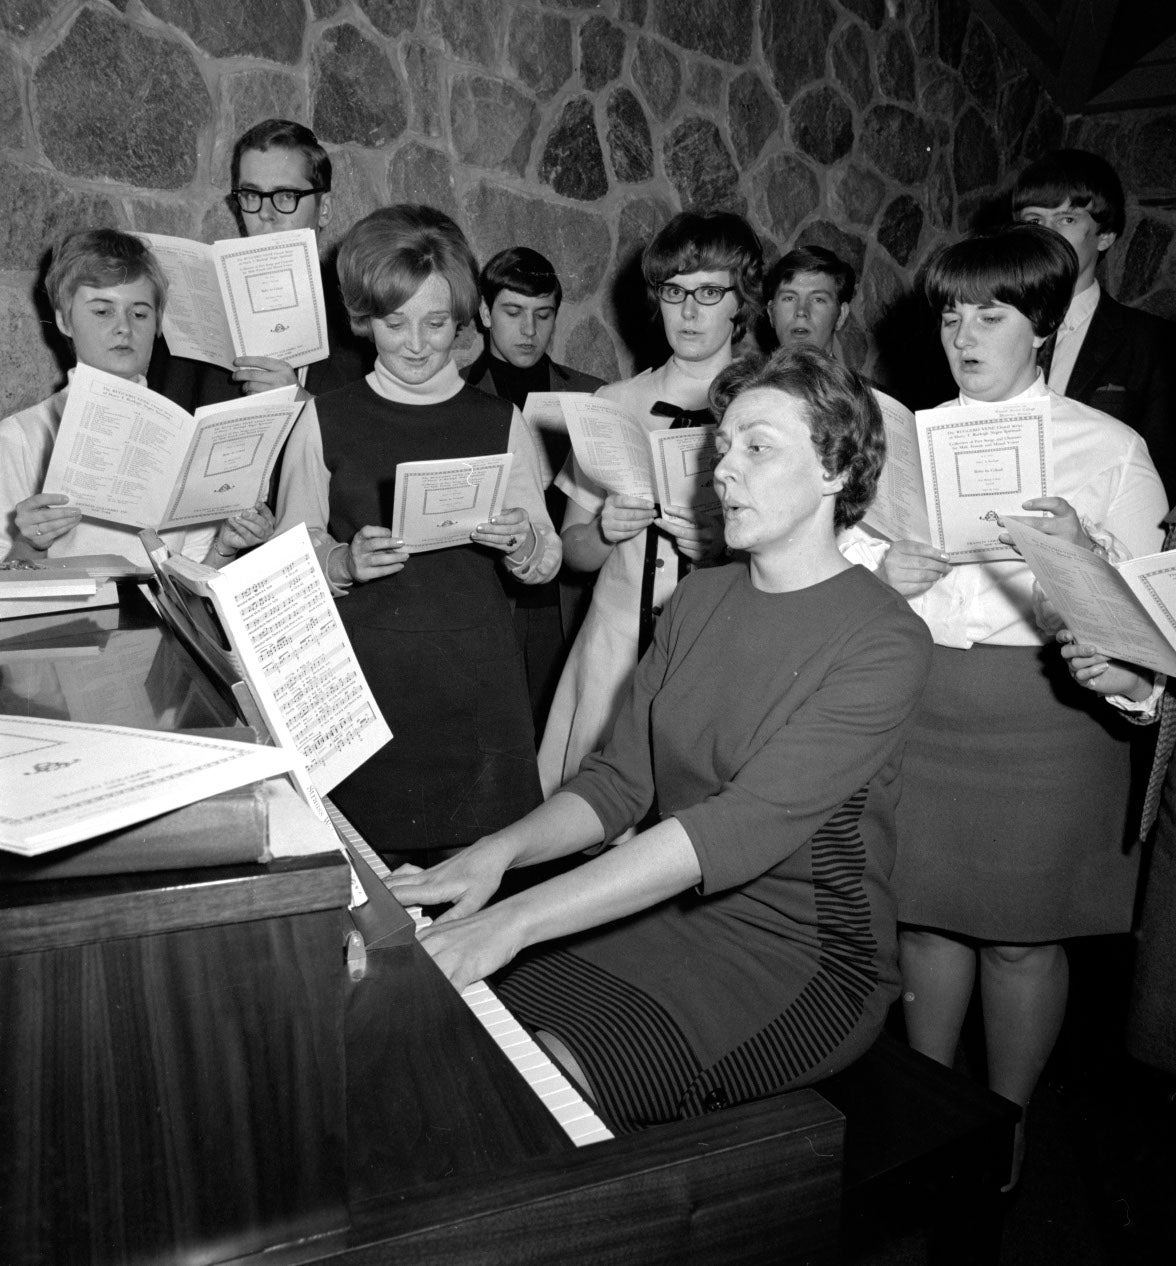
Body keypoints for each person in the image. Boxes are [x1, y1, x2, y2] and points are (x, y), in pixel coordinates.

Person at [388, 346, 933, 1132]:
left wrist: (512, 919)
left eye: (758, 447)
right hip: (672, 910)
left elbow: (732, 828)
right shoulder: (700, 597)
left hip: (802, 956)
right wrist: (494, 855)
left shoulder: (884, 640)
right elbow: (617, 784)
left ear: (837, 470)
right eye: (723, 446)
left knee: (541, 1083)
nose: (723, 469)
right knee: (467, 1026)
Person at [847, 223, 1167, 1186]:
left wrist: (1081, 559)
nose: (964, 333)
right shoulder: (905, 437)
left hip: (1046, 715)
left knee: (1022, 941)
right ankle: (928, 1102)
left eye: (991, 313)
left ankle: (1008, 1126)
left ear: (1043, 326)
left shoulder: (1106, 446)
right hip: (925, 699)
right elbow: (840, 563)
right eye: (951, 313)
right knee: (928, 922)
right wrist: (882, 566)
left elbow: (1150, 624)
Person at [273, 206, 559, 861]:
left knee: (476, 876)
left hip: (476, 687)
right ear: (363, 319)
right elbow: (287, 563)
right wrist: (342, 561)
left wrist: (522, 542)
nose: (415, 343)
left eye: (435, 323)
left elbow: (546, 556)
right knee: (364, 878)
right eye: (394, 323)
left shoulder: (500, 420)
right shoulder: (324, 419)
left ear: (462, 321)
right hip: (365, 688)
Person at [537, 210, 762, 796]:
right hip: (616, 653)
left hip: (722, 652)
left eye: (710, 291)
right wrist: (606, 531)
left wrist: (726, 549)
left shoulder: (774, 403)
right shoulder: (614, 402)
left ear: (743, 301)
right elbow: (572, 552)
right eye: (674, 291)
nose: (688, 312)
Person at [1, 228, 272, 567]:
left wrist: (226, 547)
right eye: (103, 311)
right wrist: (30, 544)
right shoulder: (20, 437)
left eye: (139, 313)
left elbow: (194, 583)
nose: (124, 328)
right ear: (63, 319)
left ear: (159, 323)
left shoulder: (189, 439)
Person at [462, 247, 605, 733]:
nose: (529, 331)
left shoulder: (592, 397)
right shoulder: (456, 399)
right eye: (513, 312)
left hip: (572, 599)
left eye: (543, 315)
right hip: (494, 598)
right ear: (484, 312)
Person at [148, 118, 370, 409]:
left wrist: (302, 405)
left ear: (324, 209)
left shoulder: (362, 309)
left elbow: (379, 437)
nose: (265, 213)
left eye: (286, 196)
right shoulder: (200, 306)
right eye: (252, 195)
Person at [1012, 148, 1176, 498]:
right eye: (1034, 221)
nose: (1047, 235)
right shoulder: (979, 330)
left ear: (1105, 236)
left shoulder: (1152, 342)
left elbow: (1163, 476)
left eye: (1067, 220)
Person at [764, 245, 854, 356]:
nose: (801, 311)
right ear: (771, 313)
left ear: (841, 316)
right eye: (789, 298)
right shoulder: (753, 374)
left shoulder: (846, 375)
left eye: (818, 299)